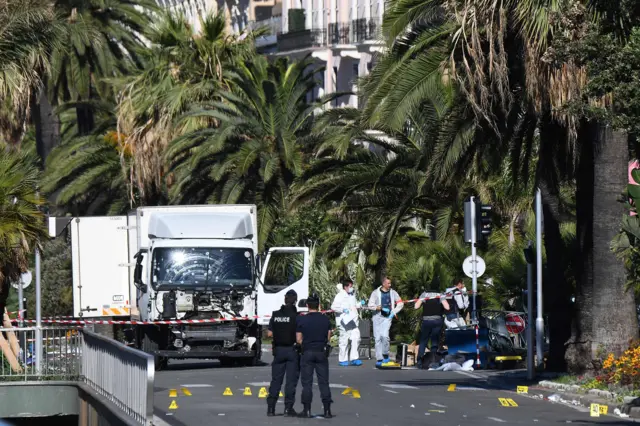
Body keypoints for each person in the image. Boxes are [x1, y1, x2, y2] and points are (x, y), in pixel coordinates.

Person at [296, 292, 333, 418]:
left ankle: (306, 409)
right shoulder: (325, 319)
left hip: (307, 352)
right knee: (324, 382)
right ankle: (327, 409)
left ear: (307, 305)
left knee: (307, 383)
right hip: (321, 352)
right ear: (318, 305)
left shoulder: (302, 319)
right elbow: (328, 337)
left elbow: (298, 339)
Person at [266, 289, 300, 417]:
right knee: (291, 381)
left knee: (276, 380)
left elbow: (269, 333)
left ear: (285, 299)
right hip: (292, 350)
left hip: (278, 350)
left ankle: (271, 408)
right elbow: (298, 336)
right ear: (295, 300)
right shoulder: (296, 316)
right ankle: (288, 408)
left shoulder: (275, 314)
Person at [368, 276, 404, 367]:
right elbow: (370, 305)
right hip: (377, 317)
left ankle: (385, 355)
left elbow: (400, 303)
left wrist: (394, 312)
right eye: (388, 283)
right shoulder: (375, 293)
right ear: (383, 283)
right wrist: (376, 307)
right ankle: (379, 358)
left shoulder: (393, 293)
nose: (390, 285)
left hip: (387, 318)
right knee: (377, 338)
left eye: (390, 283)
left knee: (385, 336)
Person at [414, 283, 450, 369]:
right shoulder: (440, 295)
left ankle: (419, 361)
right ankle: (433, 360)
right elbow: (447, 307)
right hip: (437, 320)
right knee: (435, 340)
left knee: (423, 341)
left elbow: (416, 306)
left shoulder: (424, 294)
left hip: (426, 321)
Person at [331, 279, 362, 366]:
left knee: (356, 338)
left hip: (353, 322)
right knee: (344, 340)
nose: (352, 288)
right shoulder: (340, 295)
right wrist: (342, 310)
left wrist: (360, 304)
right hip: (344, 322)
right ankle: (343, 359)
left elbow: (354, 306)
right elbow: (333, 307)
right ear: (345, 287)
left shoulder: (352, 295)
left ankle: (354, 358)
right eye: (350, 286)